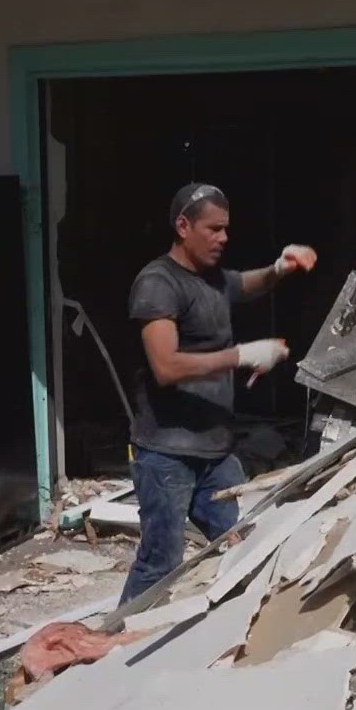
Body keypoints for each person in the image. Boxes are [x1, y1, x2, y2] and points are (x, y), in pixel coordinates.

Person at [119, 183, 317, 604]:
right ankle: (109, 653)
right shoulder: (158, 284)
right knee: (160, 564)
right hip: (166, 451)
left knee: (241, 547)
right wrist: (242, 354)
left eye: (226, 229)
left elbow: (244, 284)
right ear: (183, 225)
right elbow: (166, 366)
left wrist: (279, 269)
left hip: (215, 451)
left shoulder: (210, 278)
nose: (223, 238)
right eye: (214, 229)